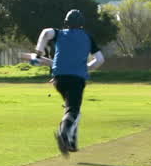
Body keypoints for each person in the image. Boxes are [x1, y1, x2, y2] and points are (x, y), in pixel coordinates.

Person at [28, 9, 105, 155]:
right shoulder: (88, 37)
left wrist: (39, 51)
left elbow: (45, 33)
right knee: (73, 110)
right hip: (77, 79)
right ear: (81, 24)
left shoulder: (59, 33)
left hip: (59, 79)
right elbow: (100, 59)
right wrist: (87, 68)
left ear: (66, 22)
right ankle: (64, 133)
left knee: (72, 109)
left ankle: (72, 142)